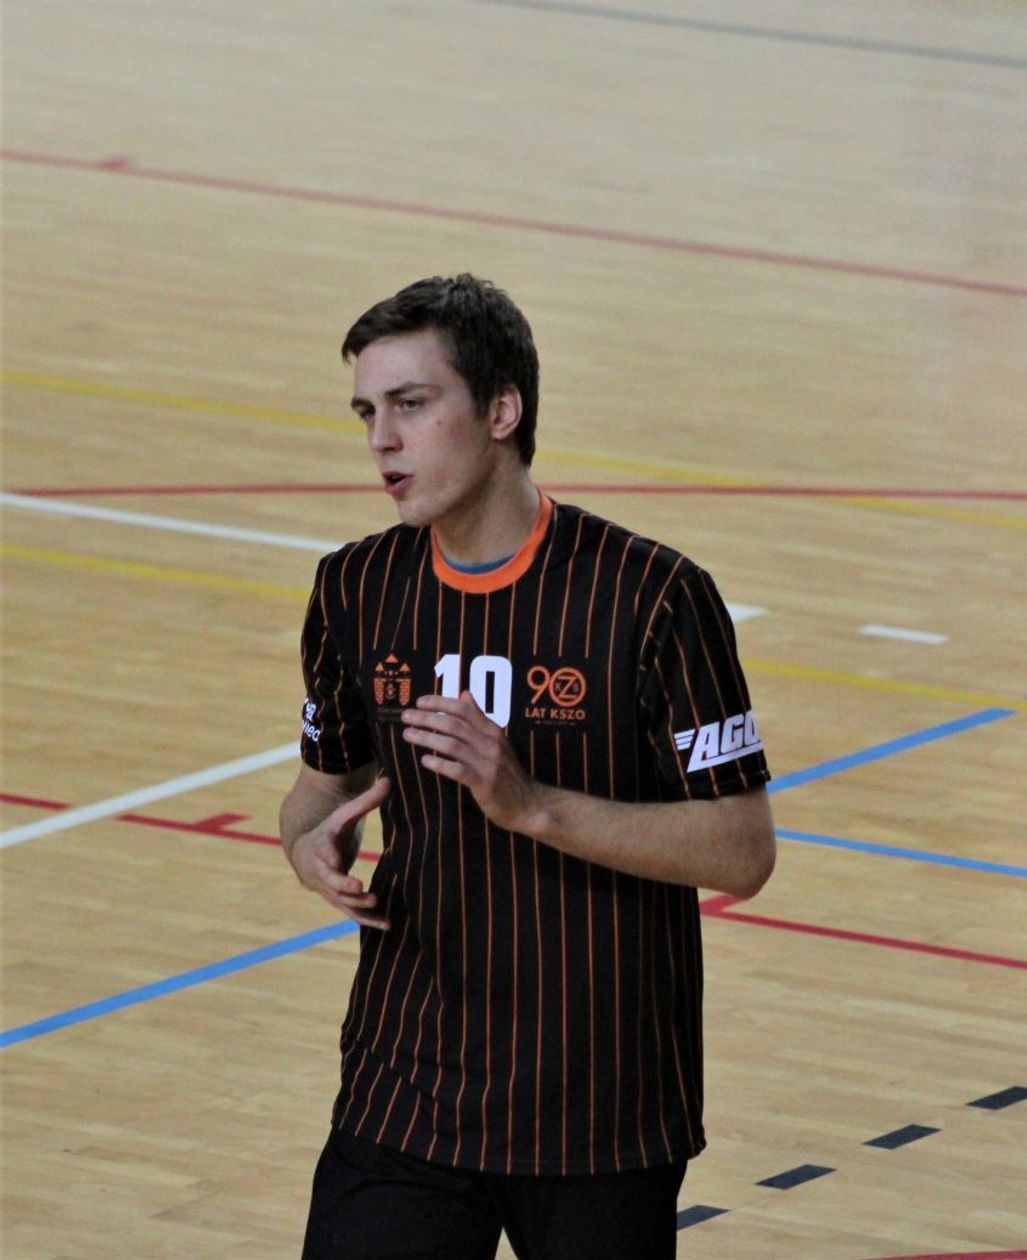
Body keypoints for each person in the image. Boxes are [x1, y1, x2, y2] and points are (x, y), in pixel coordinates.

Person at [279, 274, 776, 1260]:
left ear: (502, 410)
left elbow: (741, 850)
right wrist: (307, 846)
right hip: (406, 1092)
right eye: (368, 413)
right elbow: (321, 788)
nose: (382, 440)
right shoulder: (355, 587)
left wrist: (533, 804)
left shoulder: (654, 598)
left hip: (601, 1112)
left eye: (412, 405)